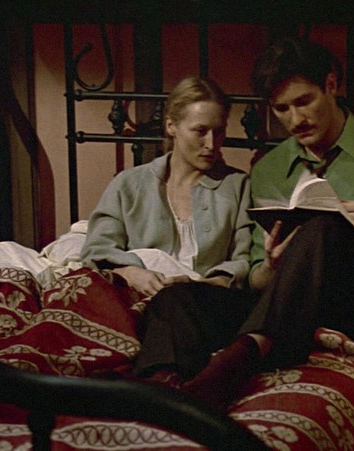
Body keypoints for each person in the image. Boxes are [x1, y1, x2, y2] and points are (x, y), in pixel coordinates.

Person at [170, 36, 354, 409]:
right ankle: (162, 389)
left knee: (326, 226)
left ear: (331, 85)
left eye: (304, 102)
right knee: (178, 297)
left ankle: (247, 352)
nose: (295, 120)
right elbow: (255, 278)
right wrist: (272, 266)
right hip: (292, 308)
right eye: (281, 109)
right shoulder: (268, 169)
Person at [79, 76, 256, 388]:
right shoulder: (130, 184)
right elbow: (97, 248)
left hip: (206, 300)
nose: (211, 144)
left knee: (175, 299)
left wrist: (203, 283)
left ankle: (159, 383)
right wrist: (131, 272)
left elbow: (245, 260)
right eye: (200, 131)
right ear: (172, 126)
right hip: (144, 296)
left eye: (219, 131)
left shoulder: (238, 186)